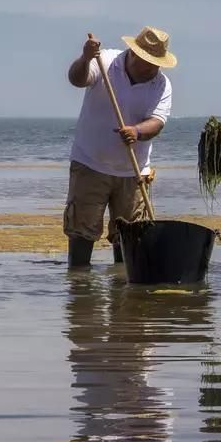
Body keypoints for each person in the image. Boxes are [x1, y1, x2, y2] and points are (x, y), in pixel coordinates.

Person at [64, 26, 176, 267]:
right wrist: (85, 58)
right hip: (90, 164)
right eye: (149, 61)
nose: (153, 68)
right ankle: (80, 293)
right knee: (82, 232)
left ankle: (123, 295)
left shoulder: (161, 85)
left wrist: (137, 131)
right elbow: (77, 79)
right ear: (134, 54)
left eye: (157, 63)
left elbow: (157, 122)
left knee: (129, 239)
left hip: (133, 172)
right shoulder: (105, 61)